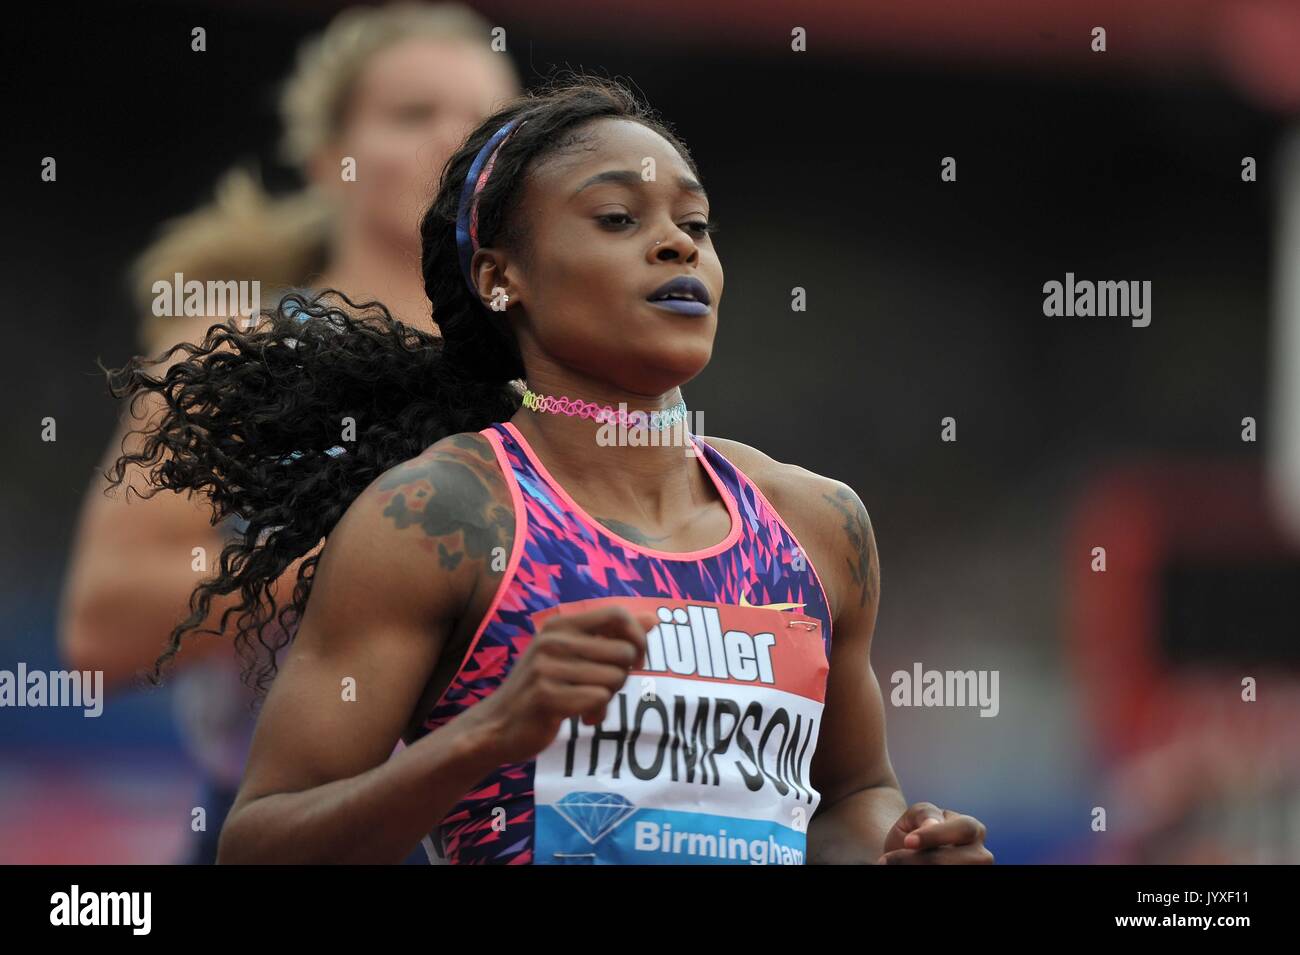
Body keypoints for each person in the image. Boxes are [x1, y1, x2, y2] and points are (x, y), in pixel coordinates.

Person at [105, 74, 993, 865]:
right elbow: (259, 842)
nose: (679, 246)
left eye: (695, 224)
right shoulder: (442, 518)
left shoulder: (817, 525)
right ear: (501, 278)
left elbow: (847, 798)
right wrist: (486, 735)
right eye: (619, 219)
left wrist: (896, 848)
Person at [58, 1, 521, 864]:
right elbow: (102, 629)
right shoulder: (235, 353)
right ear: (327, 159)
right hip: (286, 824)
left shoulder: (549, 370)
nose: (456, 140)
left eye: (487, 121)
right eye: (414, 113)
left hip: (515, 833)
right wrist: (374, 570)